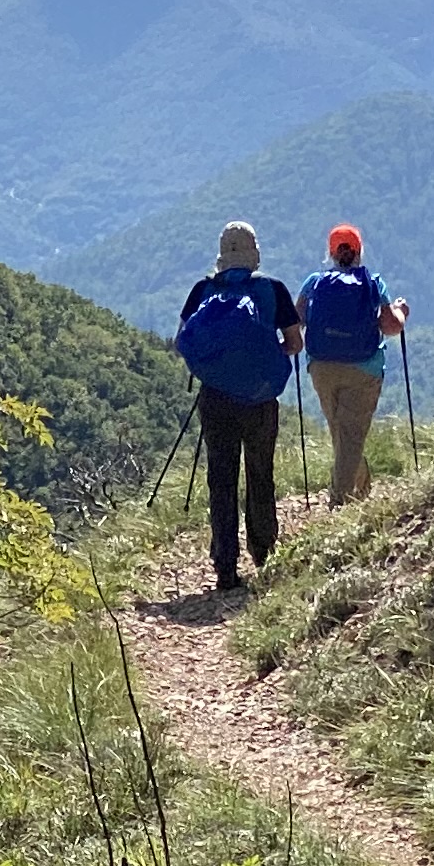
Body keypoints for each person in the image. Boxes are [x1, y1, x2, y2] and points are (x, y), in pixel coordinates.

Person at [174, 221, 302, 593]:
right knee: (260, 474)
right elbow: (295, 343)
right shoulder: (272, 290)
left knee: (221, 478)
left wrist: (218, 365)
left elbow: (183, 342)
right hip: (260, 399)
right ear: (254, 252)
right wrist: (266, 357)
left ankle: (225, 566)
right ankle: (265, 555)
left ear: (221, 254)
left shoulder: (203, 291)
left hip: (215, 399)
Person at [298, 224, 410, 505]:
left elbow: (296, 320)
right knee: (349, 434)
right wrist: (401, 311)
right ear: (359, 251)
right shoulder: (373, 282)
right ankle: (341, 504)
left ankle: (360, 486)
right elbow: (391, 326)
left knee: (341, 431)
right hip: (363, 367)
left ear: (331, 252)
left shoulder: (314, 282)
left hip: (322, 366)